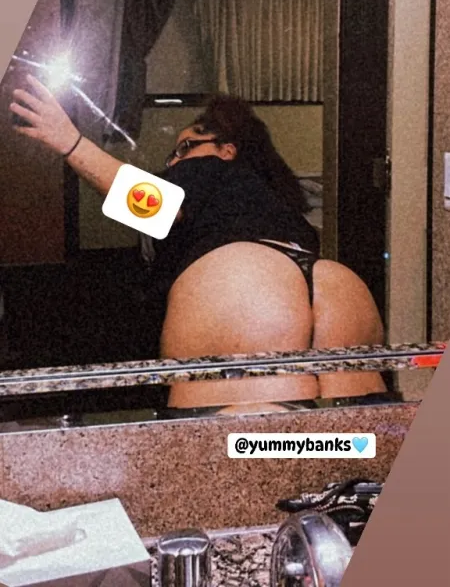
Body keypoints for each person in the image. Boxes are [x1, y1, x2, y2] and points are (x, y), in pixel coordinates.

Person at [10, 75, 387, 414]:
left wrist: (71, 143)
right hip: (337, 288)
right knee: (348, 447)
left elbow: (155, 206)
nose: (176, 162)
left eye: (185, 147)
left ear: (227, 150)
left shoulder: (206, 169)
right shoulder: (275, 197)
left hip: (243, 288)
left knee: (237, 457)